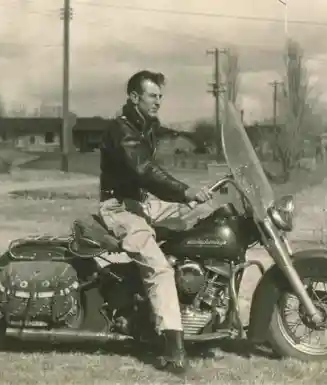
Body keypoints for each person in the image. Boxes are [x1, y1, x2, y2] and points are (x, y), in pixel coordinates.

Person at [98, 70, 212, 373]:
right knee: (159, 269)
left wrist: (188, 198)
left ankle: (195, 287)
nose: (158, 102)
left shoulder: (144, 127)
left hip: (142, 203)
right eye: (152, 96)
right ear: (134, 97)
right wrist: (183, 190)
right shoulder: (121, 130)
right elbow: (144, 170)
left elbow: (150, 176)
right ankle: (173, 346)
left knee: (201, 216)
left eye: (160, 96)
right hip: (119, 208)